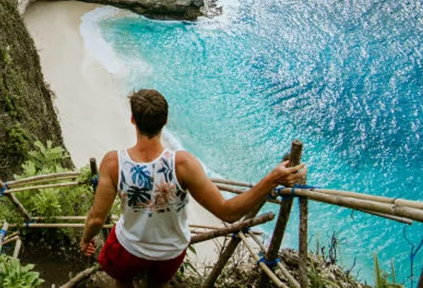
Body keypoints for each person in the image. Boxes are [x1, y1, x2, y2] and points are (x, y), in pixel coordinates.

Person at [79, 89, 306, 288]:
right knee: (158, 284)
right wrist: (271, 179)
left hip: (130, 247)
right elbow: (228, 212)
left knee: (123, 281)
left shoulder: (114, 163)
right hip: (170, 251)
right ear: (165, 121)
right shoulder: (183, 164)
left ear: (132, 120)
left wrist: (86, 239)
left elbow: (97, 219)